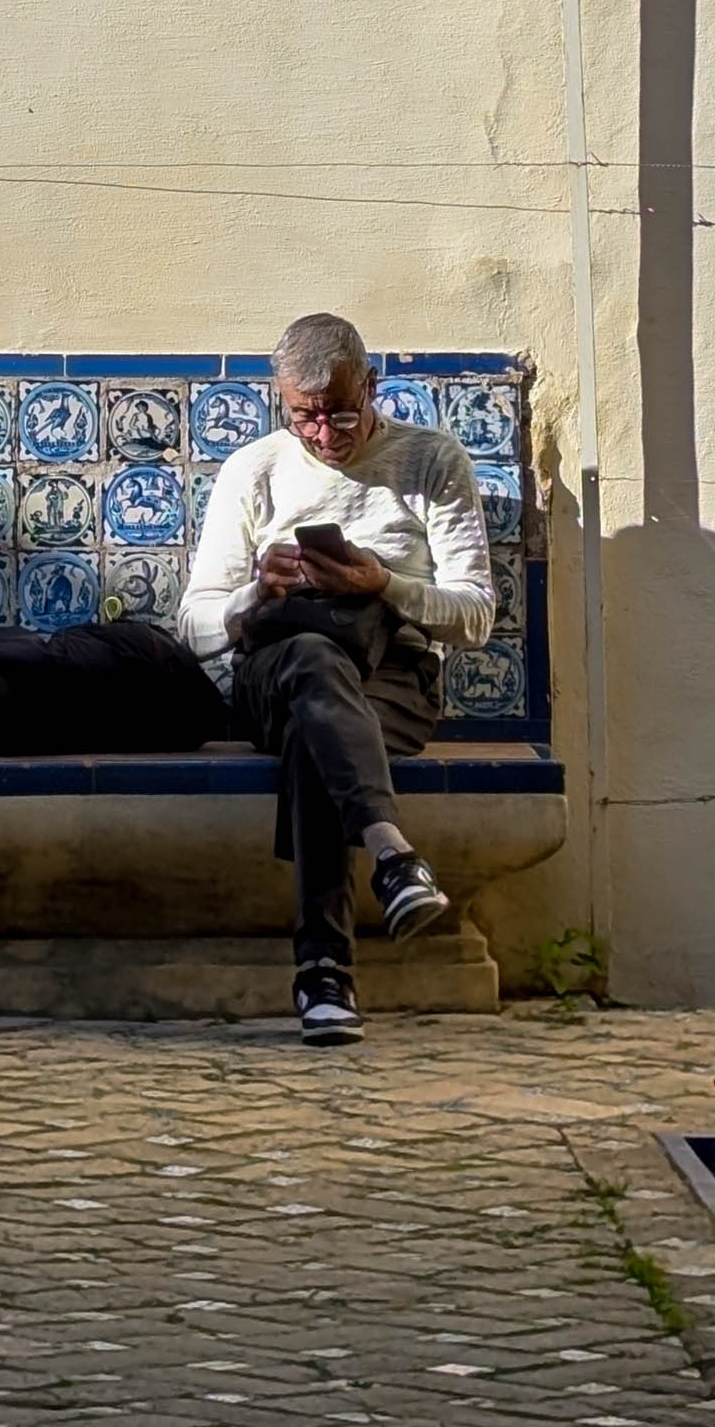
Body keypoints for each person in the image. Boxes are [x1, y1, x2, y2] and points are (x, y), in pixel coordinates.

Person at [177, 311, 494, 1044]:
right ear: (280, 404)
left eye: (342, 413)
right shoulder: (253, 470)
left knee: (317, 731)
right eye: (305, 419)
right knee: (313, 665)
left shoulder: (432, 461)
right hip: (274, 669)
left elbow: (476, 616)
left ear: (373, 386)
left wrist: (382, 583)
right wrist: (258, 591)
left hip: (394, 679)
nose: (325, 435)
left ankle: (325, 978)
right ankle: (393, 856)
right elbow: (192, 628)